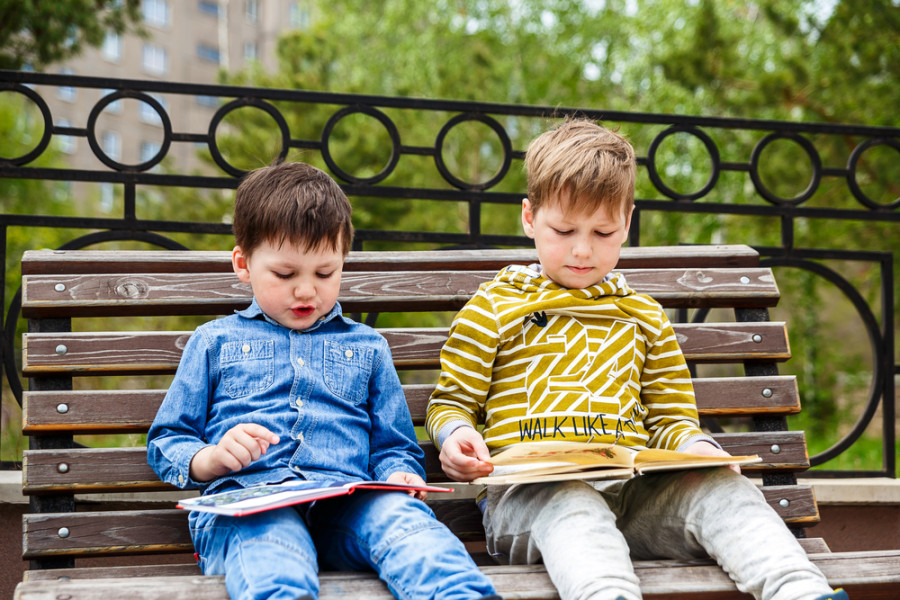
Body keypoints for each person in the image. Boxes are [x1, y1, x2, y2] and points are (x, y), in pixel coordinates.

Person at [425, 119, 847, 600]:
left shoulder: (642, 316)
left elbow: (671, 419)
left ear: (627, 222)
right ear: (529, 218)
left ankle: (803, 593)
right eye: (563, 230)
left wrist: (697, 447)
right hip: (531, 502)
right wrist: (456, 436)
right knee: (574, 504)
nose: (583, 250)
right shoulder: (495, 306)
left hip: (635, 499)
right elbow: (450, 403)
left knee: (723, 491)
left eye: (603, 232)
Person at [148, 161, 500, 600]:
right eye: (285, 274)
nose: (306, 291)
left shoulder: (367, 347)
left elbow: (393, 447)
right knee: (275, 566)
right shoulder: (214, 342)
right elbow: (168, 439)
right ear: (243, 264)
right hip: (250, 505)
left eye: (324, 273)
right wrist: (211, 458)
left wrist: (399, 478)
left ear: (342, 263)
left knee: (411, 531)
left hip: (348, 505)